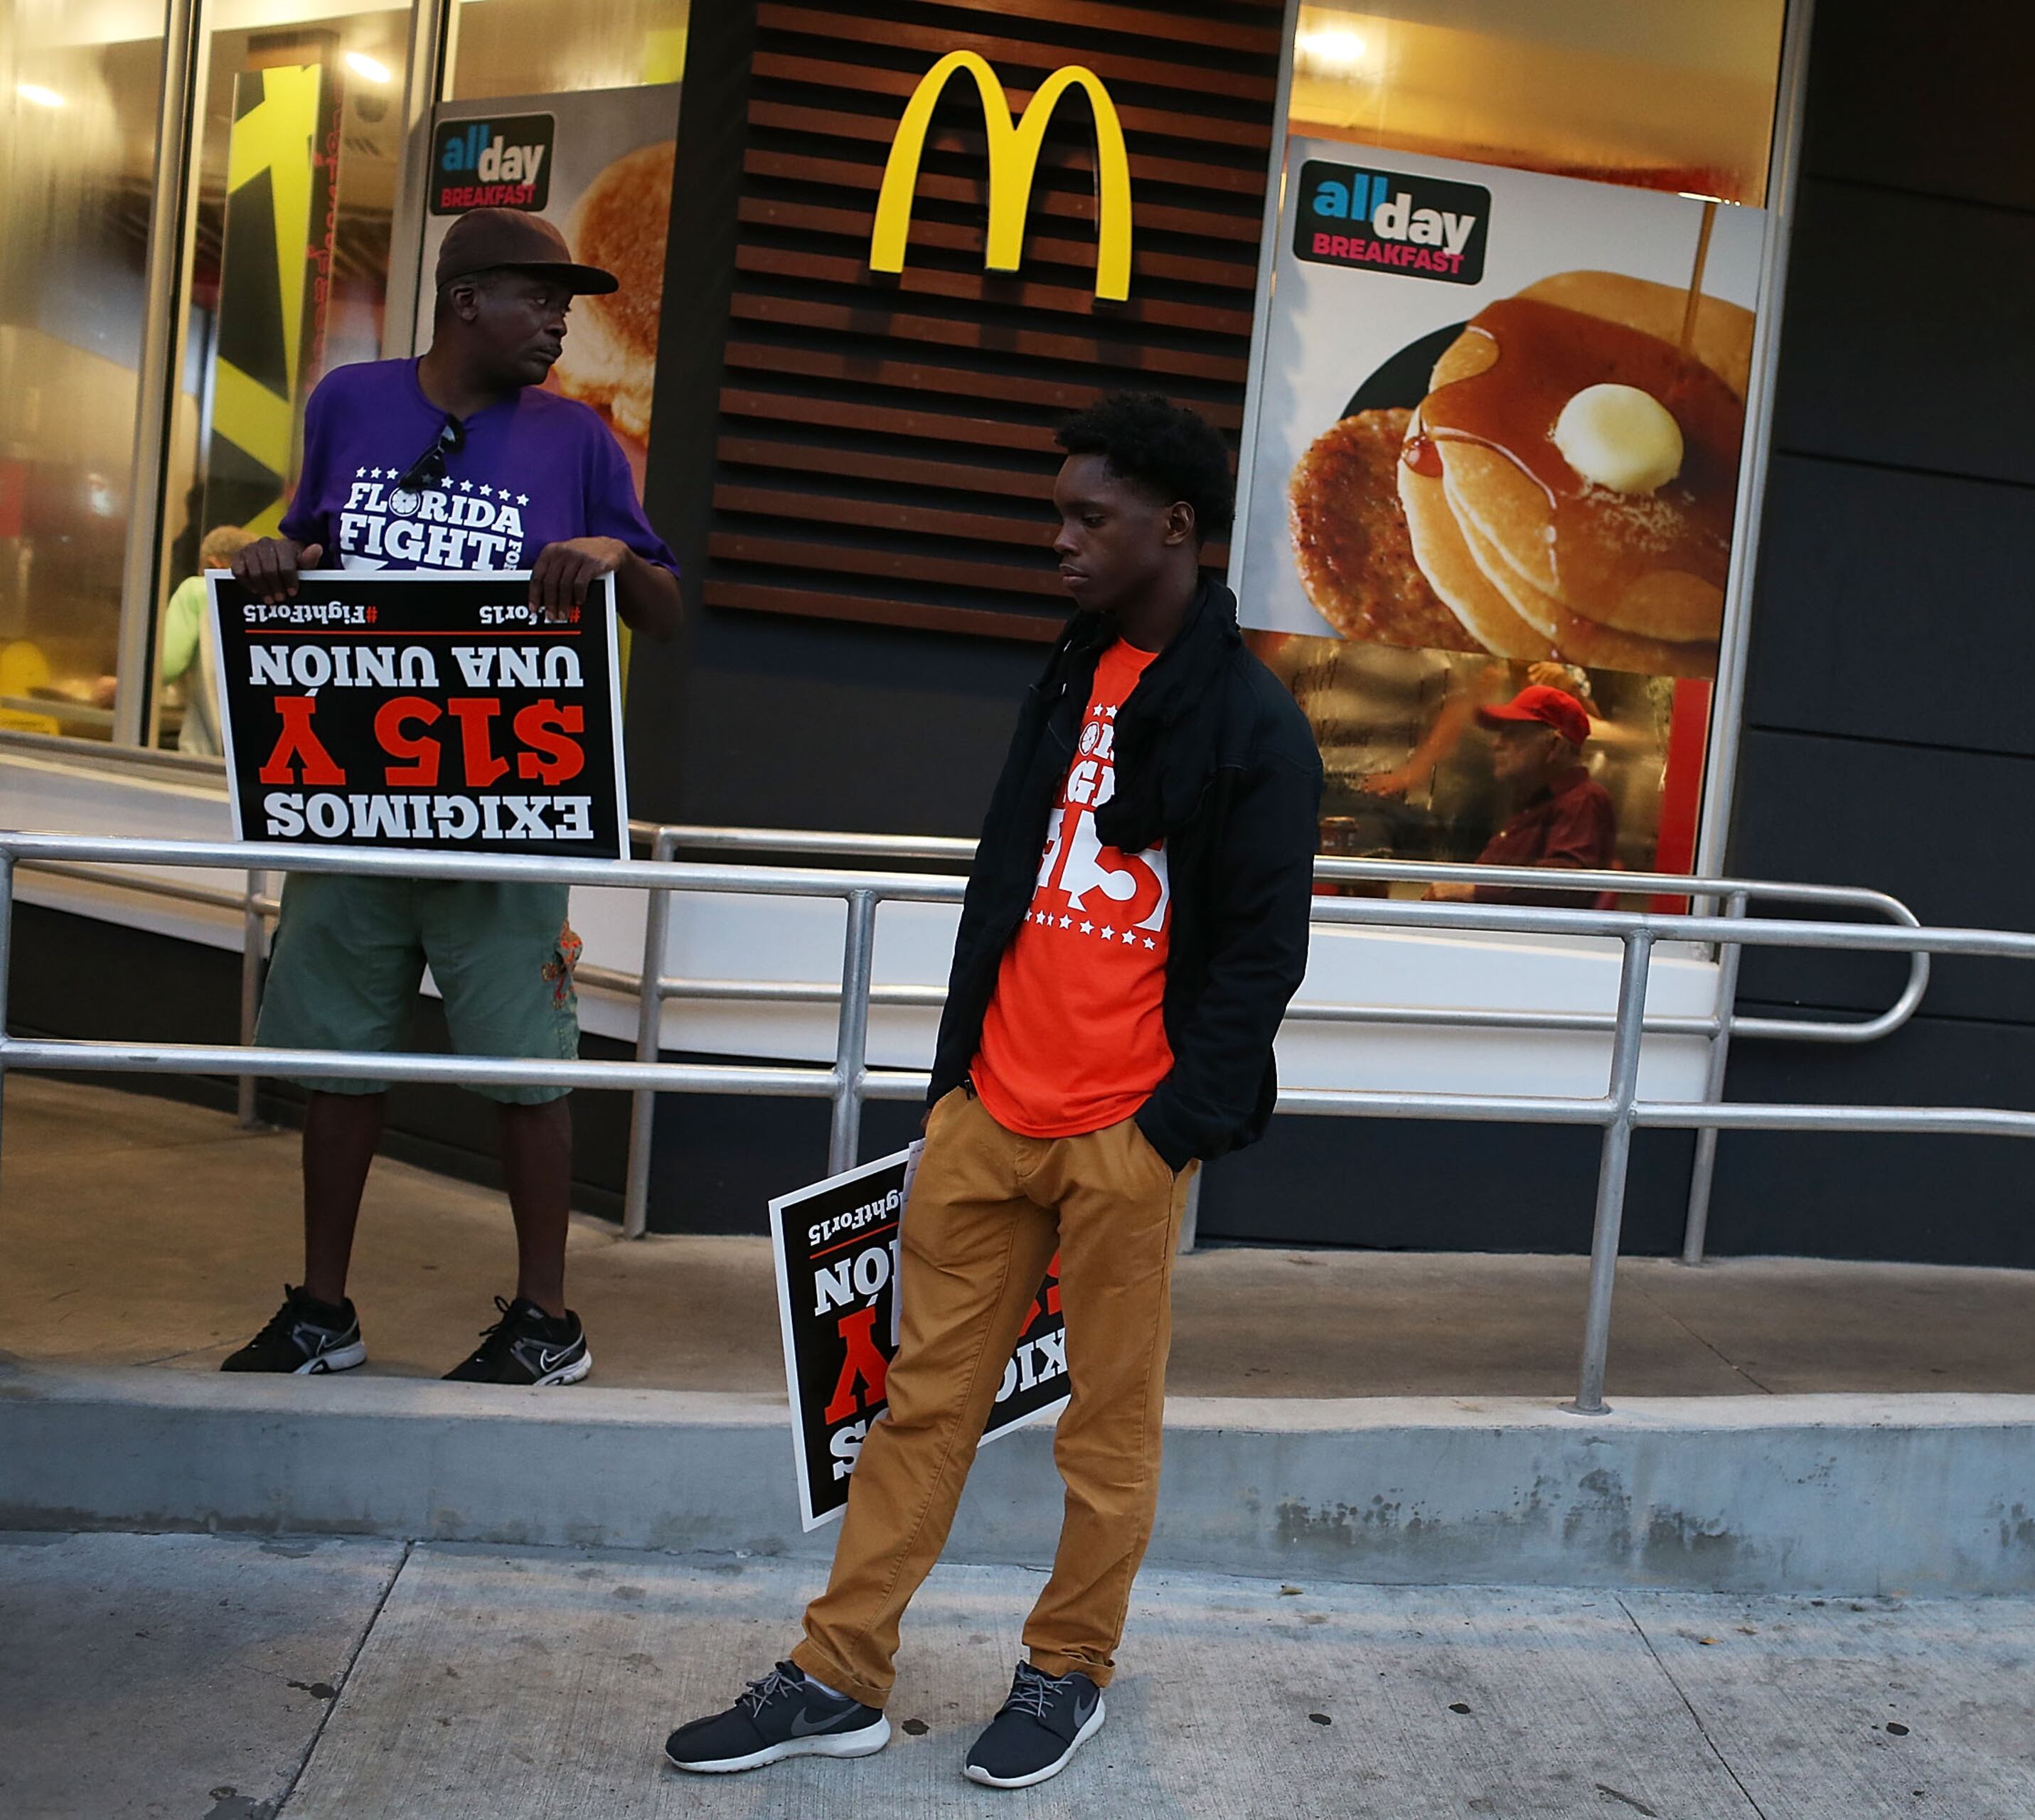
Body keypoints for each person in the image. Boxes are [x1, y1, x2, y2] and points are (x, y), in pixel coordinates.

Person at [664, 394, 1320, 1790]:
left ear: (1176, 528)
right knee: (915, 1406)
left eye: (1091, 517)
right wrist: (956, 1085)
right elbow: (1004, 883)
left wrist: (1164, 1137)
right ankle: (839, 1672)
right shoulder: (1071, 672)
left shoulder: (1256, 721)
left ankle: (1066, 1669)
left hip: (1125, 1132)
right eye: (1058, 514)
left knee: (1107, 1425)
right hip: (990, 1113)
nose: (1061, 542)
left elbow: (1262, 955)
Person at [219, 208, 680, 1385]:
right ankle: (324, 1308)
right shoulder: (349, 405)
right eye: (541, 299)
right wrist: (277, 559)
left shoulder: (578, 439)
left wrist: (619, 562)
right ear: (468, 297)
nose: (561, 323)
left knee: (527, 1069)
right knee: (336, 1064)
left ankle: (546, 1320)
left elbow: (668, 602)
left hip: (505, 809)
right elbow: (311, 548)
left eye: (569, 306)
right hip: (358, 800)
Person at [1425, 682, 1616, 906]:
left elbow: (1566, 884)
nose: (1497, 744)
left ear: (1555, 746)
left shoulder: (1583, 799)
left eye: (1512, 734)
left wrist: (1473, 891)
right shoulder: (1536, 803)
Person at [161, 524, 257, 756]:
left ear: (214, 563)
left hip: (207, 754)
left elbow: (164, 667)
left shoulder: (198, 591)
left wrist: (119, 687)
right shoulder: (276, 601)